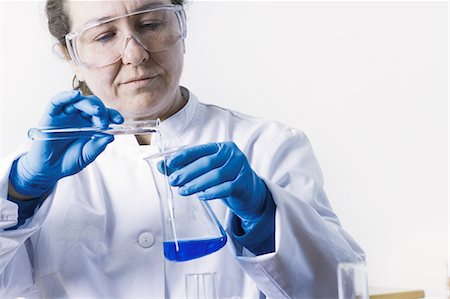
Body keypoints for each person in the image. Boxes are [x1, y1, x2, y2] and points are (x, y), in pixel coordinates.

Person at [0, 0, 365, 298]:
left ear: (180, 29)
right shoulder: (36, 169)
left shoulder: (269, 147)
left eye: (151, 24)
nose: (135, 53)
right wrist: (20, 192)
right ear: (70, 54)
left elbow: (341, 288)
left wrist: (264, 214)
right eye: (104, 35)